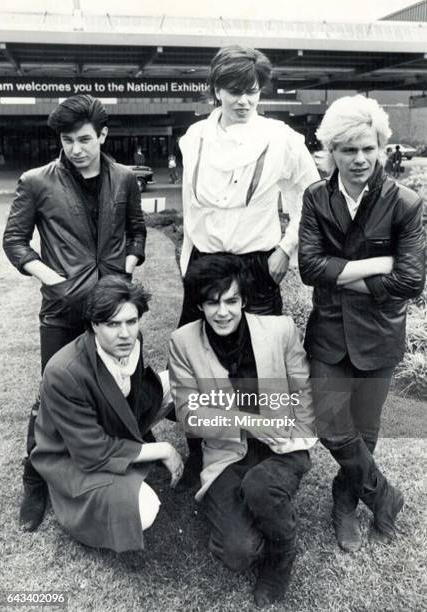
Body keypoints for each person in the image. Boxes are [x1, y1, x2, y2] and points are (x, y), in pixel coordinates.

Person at [177, 44, 319, 487]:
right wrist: (189, 262)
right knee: (201, 360)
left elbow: (311, 199)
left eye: (252, 91)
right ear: (216, 90)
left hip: (257, 266)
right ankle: (204, 455)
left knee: (262, 366)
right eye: (233, 90)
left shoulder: (282, 139)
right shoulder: (194, 137)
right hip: (204, 266)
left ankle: (267, 455)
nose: (243, 100)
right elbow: (191, 208)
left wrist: (286, 248)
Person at [3, 94, 147, 532]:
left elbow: (137, 231)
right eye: (67, 140)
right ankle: (35, 480)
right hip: (63, 311)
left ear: (103, 135)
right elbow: (14, 241)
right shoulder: (35, 181)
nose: (75, 148)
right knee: (51, 395)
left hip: (112, 307)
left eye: (84, 139)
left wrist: (127, 266)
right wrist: (54, 279)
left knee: (117, 387)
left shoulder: (124, 178)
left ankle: (110, 461)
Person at [298, 95, 425, 553]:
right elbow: (309, 268)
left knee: (366, 432)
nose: (360, 159)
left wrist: (343, 275)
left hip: (379, 336)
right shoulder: (316, 198)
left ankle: (345, 502)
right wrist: (376, 266)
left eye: (368, 148)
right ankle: (385, 496)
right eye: (348, 149)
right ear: (331, 150)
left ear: (382, 148)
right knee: (332, 426)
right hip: (329, 334)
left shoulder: (405, 203)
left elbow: (410, 280)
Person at [169, 254, 316, 607]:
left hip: (281, 447)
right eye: (212, 302)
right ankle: (261, 511)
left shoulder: (280, 330)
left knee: (261, 486)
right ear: (200, 303)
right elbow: (189, 414)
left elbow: (302, 389)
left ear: (244, 300)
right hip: (226, 453)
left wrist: (298, 438)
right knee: (237, 554)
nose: (223, 312)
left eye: (231, 300)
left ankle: (283, 553)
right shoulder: (182, 341)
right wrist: (247, 420)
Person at [31, 276, 183, 552]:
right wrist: (162, 449)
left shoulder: (132, 341)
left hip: (115, 425)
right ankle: (78, 507)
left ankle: (208, 464)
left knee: (184, 383)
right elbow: (92, 452)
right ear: (93, 325)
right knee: (144, 509)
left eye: (131, 321)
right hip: (75, 456)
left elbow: (130, 396)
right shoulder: (64, 372)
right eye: (113, 324)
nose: (125, 333)